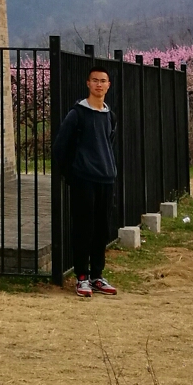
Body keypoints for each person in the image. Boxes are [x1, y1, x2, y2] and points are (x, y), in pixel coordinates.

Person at [53, 65, 119, 298]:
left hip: (106, 179)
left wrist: (110, 169)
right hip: (84, 180)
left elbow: (109, 144)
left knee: (102, 229)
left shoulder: (110, 115)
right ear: (88, 84)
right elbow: (60, 147)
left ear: (108, 85)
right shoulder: (77, 114)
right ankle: (81, 277)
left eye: (103, 81)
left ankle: (97, 275)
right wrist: (71, 175)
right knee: (83, 228)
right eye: (95, 80)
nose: (99, 84)